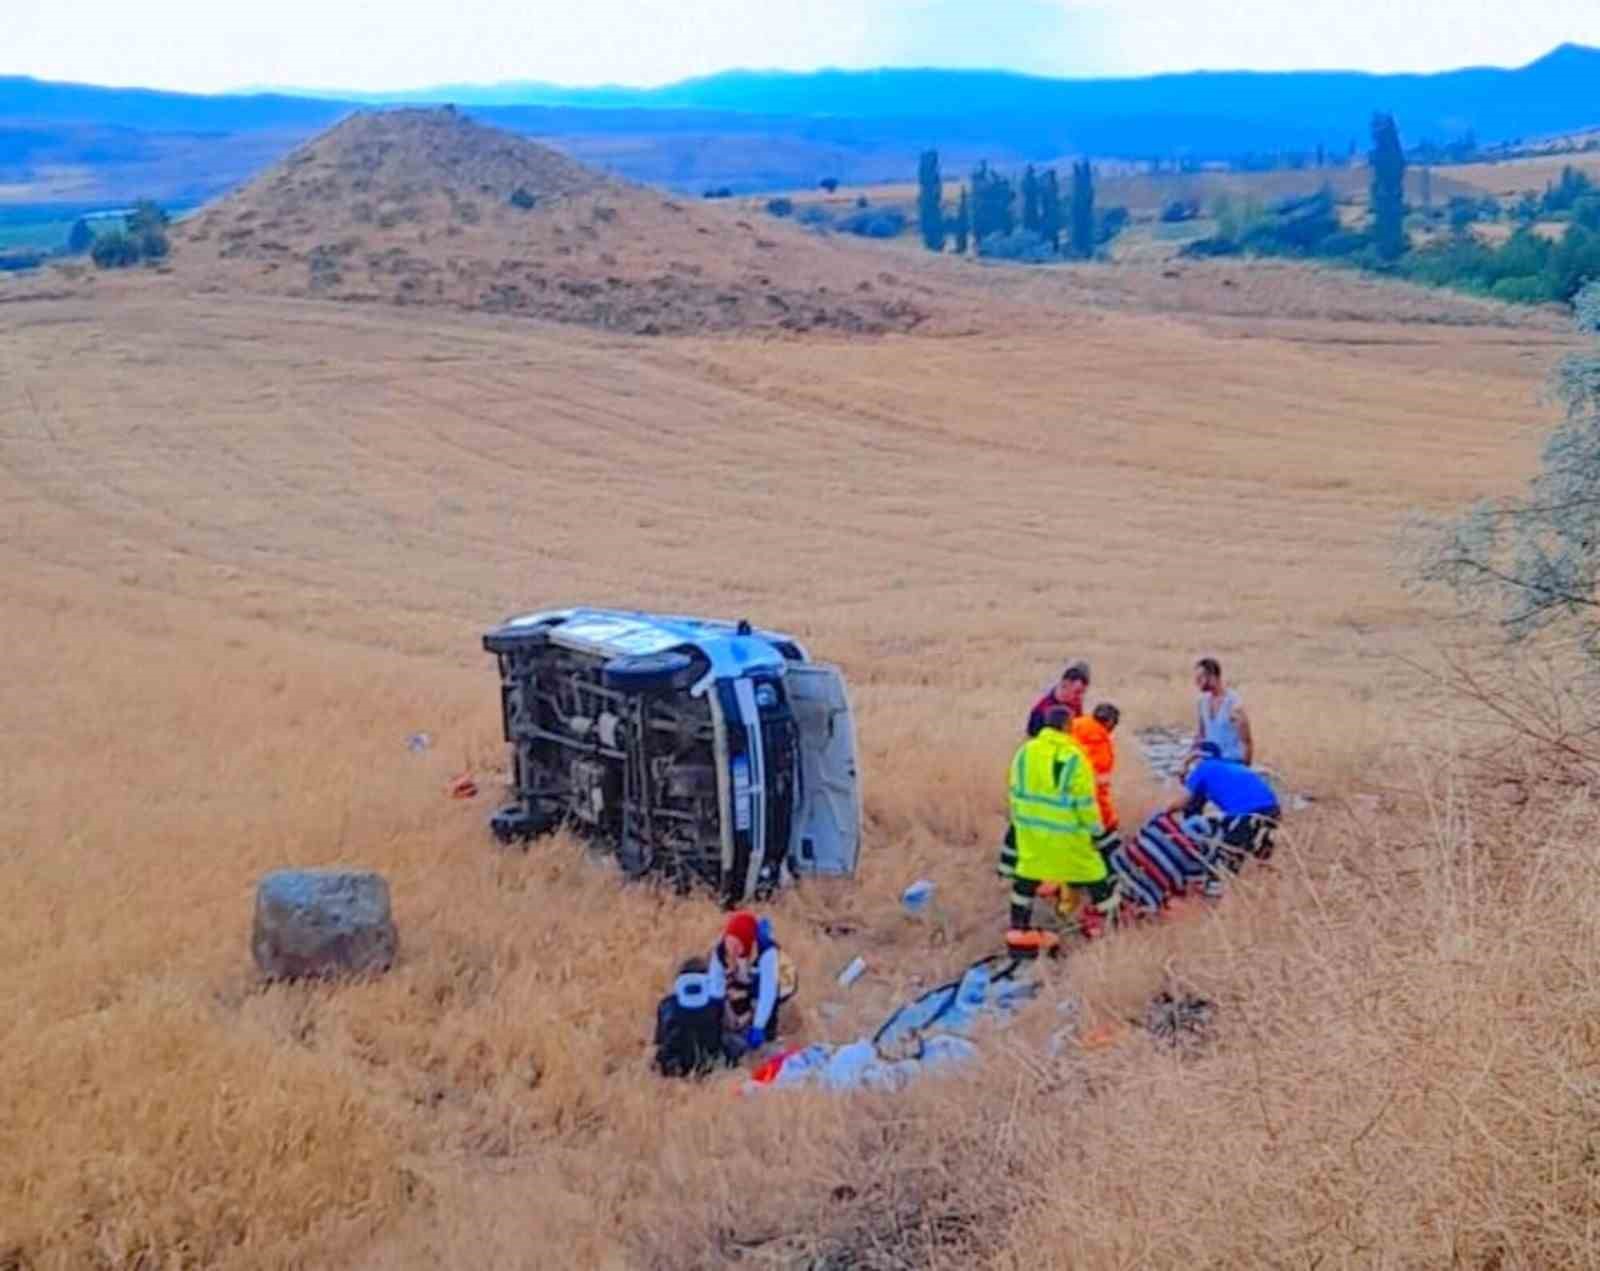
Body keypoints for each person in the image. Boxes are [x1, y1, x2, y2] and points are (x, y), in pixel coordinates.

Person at [1005, 705, 1118, 955]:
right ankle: (1113, 929)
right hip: (1068, 840)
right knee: (1099, 881)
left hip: (1032, 837)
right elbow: (1085, 803)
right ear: (1068, 726)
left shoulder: (1024, 752)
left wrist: (1023, 825)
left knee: (1024, 883)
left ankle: (1018, 930)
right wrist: (1098, 832)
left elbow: (1014, 792)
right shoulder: (1073, 757)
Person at [1168, 741, 1282, 885]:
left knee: (1224, 865)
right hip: (1273, 810)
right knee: (1260, 859)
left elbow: (1182, 800)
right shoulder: (1232, 767)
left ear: (1197, 759)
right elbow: (1194, 804)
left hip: (1248, 814)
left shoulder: (1203, 768)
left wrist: (1163, 812)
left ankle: (1217, 898)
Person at [708, 910, 791, 1060]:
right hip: (744, 976)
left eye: (736, 945)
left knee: (767, 1002)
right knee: (732, 996)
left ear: (747, 944)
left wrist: (759, 1026)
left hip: (779, 980)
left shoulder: (767, 952)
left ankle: (768, 1034)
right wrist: (716, 1014)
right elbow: (715, 987)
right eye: (729, 942)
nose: (731, 949)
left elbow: (768, 991)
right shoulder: (720, 950)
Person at [1071, 702, 1121, 834]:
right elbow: (1097, 790)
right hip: (1082, 811)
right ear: (1110, 722)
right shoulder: (1099, 743)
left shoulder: (1073, 725)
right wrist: (1109, 821)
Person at [1193, 657, 1252, 765]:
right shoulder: (1201, 701)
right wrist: (1192, 759)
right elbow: (1200, 735)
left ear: (1212, 676)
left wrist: (1243, 772)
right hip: (1210, 761)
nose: (1196, 682)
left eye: (1200, 678)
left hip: (1231, 762)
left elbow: (1246, 742)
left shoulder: (1233, 703)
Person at [1026, 661, 1091, 737]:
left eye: (1083, 692)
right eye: (1077, 692)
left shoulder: (1075, 703)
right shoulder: (1041, 712)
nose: (1081, 697)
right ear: (1064, 685)